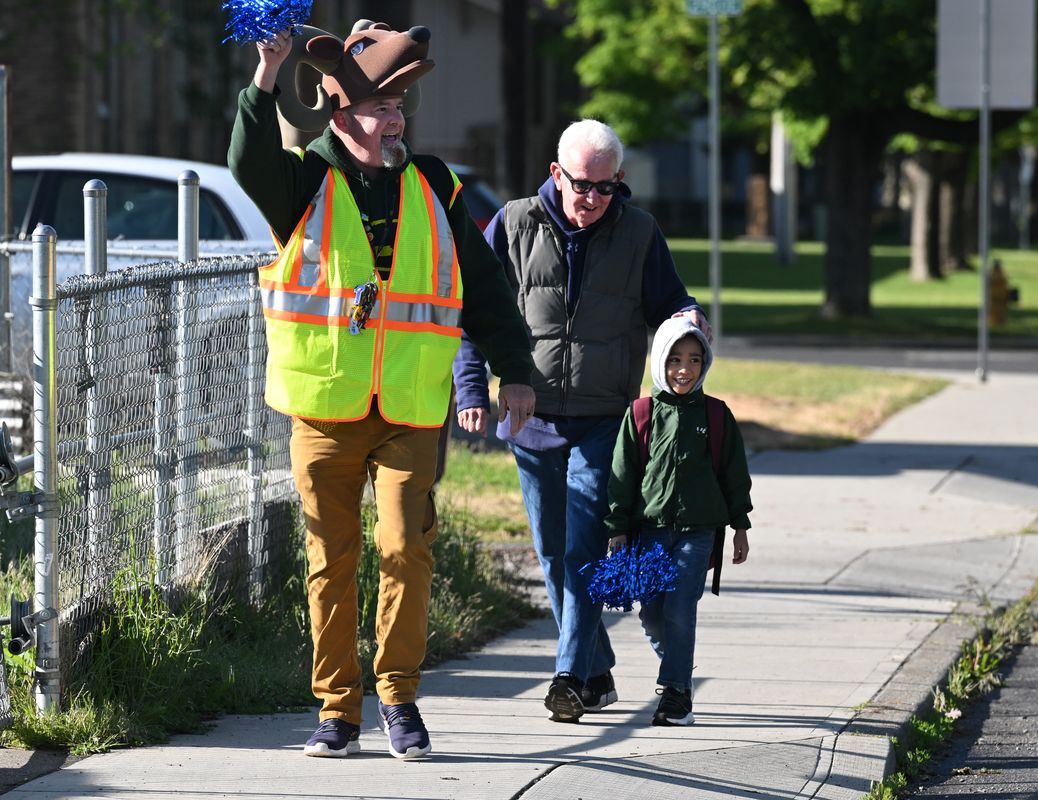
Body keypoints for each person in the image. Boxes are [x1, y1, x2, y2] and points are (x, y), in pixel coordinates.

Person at [228, 22, 535, 759]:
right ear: (341, 115)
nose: (396, 119)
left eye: (401, 107)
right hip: (326, 408)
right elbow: (247, 163)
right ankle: (338, 710)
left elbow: (484, 286)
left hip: (410, 410)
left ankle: (398, 698)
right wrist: (267, 75)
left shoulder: (435, 184)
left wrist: (514, 370)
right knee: (331, 562)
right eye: (381, 108)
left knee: (405, 549)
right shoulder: (304, 180)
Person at [453, 119, 709, 723]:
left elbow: (669, 301)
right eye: (580, 185)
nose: (591, 199)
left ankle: (569, 677)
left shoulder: (639, 232)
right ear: (555, 174)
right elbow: (474, 311)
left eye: (604, 187)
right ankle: (596, 672)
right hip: (529, 414)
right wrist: (471, 386)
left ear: (619, 181)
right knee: (548, 550)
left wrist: (690, 315)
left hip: (605, 420)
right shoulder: (512, 224)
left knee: (582, 550)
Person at [605, 316, 752, 726]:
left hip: (698, 531)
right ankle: (681, 671)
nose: (684, 369)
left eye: (694, 359)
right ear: (659, 362)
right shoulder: (640, 414)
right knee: (652, 612)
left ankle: (675, 694)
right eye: (674, 359)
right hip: (649, 532)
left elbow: (734, 475)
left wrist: (740, 526)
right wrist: (616, 528)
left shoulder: (717, 415)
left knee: (681, 607)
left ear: (705, 363)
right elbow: (622, 474)